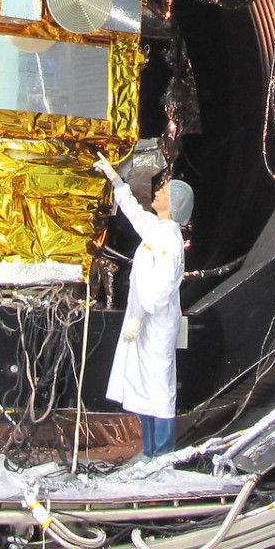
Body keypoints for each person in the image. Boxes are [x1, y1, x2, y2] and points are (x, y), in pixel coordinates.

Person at [93, 155, 191, 461]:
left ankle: (163, 454)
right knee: (145, 387)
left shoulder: (169, 241)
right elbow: (134, 213)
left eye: (163, 192)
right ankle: (150, 452)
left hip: (155, 324)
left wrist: (137, 315)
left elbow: (160, 289)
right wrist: (115, 180)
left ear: (173, 204)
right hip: (144, 324)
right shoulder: (158, 230)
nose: (158, 193)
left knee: (159, 388)